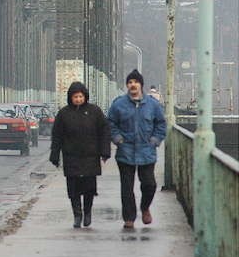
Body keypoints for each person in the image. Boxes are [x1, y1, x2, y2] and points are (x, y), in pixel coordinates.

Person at [108, 69, 167, 229]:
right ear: (127, 85)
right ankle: (129, 218)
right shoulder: (119, 104)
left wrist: (155, 140)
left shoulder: (152, 105)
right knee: (127, 187)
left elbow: (161, 124)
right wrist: (117, 138)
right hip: (125, 151)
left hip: (147, 151)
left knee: (149, 184)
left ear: (141, 85)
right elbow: (111, 123)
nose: (133, 85)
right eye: (130, 82)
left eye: (136, 82)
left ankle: (145, 207)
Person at [49, 82, 111, 228]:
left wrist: (105, 152)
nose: (78, 99)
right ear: (70, 98)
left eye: (80, 96)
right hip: (71, 156)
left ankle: (87, 212)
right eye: (75, 97)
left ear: (85, 96)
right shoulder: (64, 114)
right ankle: (77, 215)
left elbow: (104, 131)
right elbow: (57, 135)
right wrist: (55, 155)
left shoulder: (94, 112)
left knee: (89, 187)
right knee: (73, 188)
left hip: (90, 156)